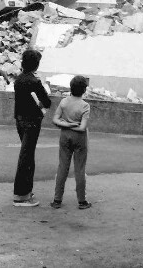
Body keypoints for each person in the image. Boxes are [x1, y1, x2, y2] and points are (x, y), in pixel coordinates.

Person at [13, 49, 52, 207]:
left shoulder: (19, 79)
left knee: (27, 155)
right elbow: (47, 102)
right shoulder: (34, 81)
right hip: (32, 122)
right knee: (27, 157)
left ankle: (26, 190)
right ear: (36, 64)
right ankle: (21, 195)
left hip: (20, 120)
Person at [50, 75, 91, 210]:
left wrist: (66, 125)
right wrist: (74, 125)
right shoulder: (85, 106)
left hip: (65, 135)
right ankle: (81, 201)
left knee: (62, 167)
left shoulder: (64, 102)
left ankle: (57, 200)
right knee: (79, 169)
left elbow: (55, 119)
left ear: (70, 88)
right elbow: (82, 127)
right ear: (84, 90)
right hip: (80, 138)